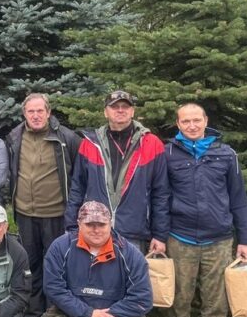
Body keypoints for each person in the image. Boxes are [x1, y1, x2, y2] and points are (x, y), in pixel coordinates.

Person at [163, 103, 247, 317]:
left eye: (196, 120)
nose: (191, 126)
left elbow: (238, 200)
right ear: (178, 125)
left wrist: (246, 240)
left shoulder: (226, 154)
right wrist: (159, 235)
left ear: (206, 121)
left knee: (216, 301)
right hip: (180, 238)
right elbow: (160, 198)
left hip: (219, 240)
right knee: (179, 298)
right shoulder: (168, 154)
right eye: (185, 121)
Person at [5, 93, 80, 317]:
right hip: (25, 214)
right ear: (24, 114)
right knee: (31, 265)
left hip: (56, 214)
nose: (36, 116)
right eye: (31, 111)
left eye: (40, 111)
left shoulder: (66, 138)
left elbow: (79, 175)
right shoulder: (15, 137)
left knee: (56, 265)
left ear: (48, 113)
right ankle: (33, 313)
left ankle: (55, 313)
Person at [64, 90, 169, 255]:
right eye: (115, 107)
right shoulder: (89, 144)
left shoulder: (152, 144)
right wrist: (71, 227)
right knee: (96, 280)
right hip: (95, 229)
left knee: (131, 280)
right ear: (106, 112)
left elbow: (161, 193)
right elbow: (77, 188)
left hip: (134, 232)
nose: (120, 110)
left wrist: (160, 235)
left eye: (125, 107)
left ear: (132, 111)